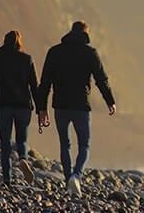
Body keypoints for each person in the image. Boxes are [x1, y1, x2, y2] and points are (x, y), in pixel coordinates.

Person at [37, 21, 116, 196]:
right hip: (81, 106)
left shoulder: (54, 52)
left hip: (60, 106)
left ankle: (68, 180)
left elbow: (45, 83)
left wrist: (41, 109)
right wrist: (110, 101)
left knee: (65, 144)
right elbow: (101, 80)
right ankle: (76, 175)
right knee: (84, 145)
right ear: (86, 34)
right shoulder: (90, 53)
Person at [0, 30, 40, 186]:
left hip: (4, 105)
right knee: (22, 140)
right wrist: (40, 108)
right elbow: (34, 86)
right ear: (19, 43)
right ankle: (23, 159)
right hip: (24, 106)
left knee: (5, 143)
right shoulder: (27, 59)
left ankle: (7, 179)